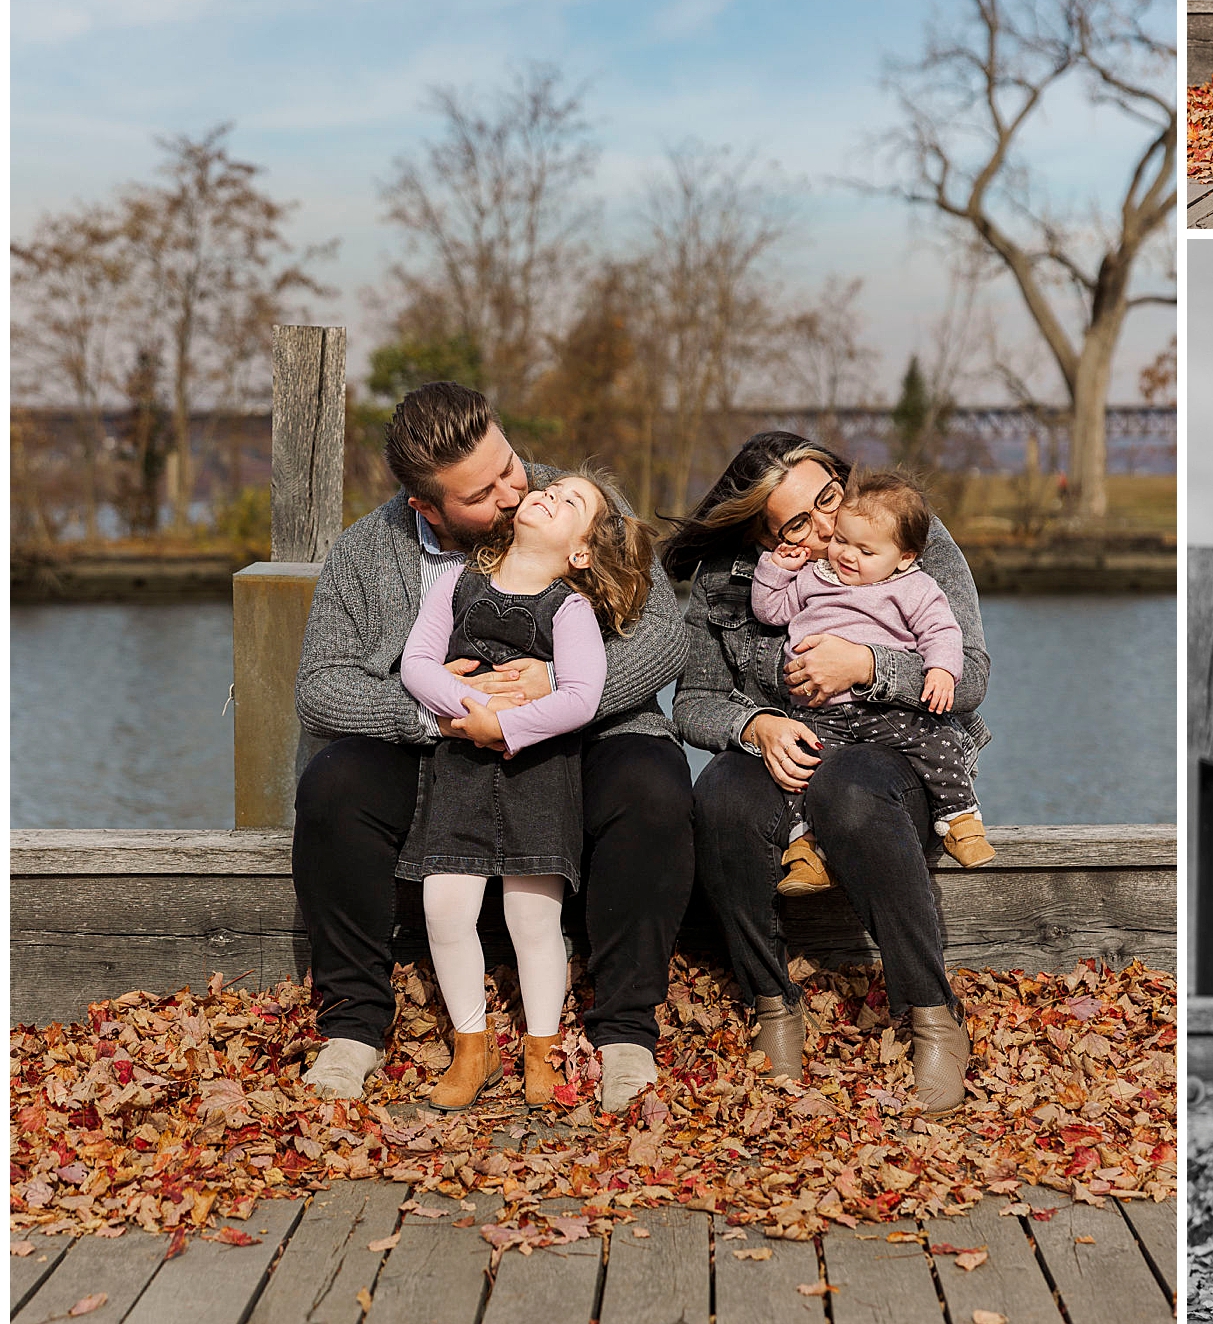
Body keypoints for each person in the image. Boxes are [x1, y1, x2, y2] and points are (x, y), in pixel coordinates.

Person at [293, 382, 695, 1114]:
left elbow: (667, 636)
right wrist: (429, 714)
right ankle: (353, 1026)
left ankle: (626, 1030)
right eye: (484, 492)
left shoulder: (571, 503)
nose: (516, 491)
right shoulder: (366, 552)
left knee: (655, 782)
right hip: (437, 752)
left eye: (510, 462)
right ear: (429, 508)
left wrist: (559, 690)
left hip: (581, 739)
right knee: (332, 784)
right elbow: (320, 686)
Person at [666, 433, 989, 1113]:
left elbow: (970, 678)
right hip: (790, 742)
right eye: (797, 524)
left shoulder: (902, 534)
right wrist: (754, 727)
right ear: (759, 531)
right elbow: (693, 702)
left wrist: (866, 666)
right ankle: (773, 1003)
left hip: (893, 743)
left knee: (849, 792)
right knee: (720, 798)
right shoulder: (726, 578)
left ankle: (933, 1014)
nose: (826, 531)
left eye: (829, 500)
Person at [397, 470, 658, 1110]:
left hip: (539, 775)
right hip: (459, 770)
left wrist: (506, 727)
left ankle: (541, 1048)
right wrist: (467, 705)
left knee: (532, 916)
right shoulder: (456, 583)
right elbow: (417, 664)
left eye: (571, 502)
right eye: (550, 488)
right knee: (445, 907)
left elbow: (581, 697)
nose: (546, 493)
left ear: (581, 553)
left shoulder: (569, 610)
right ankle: (472, 1047)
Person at [750, 468, 993, 898]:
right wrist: (775, 569)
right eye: (842, 540)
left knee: (934, 741)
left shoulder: (912, 587)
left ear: (903, 557)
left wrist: (939, 669)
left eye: (865, 550)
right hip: (818, 709)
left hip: (884, 708)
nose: (846, 555)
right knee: (803, 771)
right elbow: (772, 611)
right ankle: (806, 851)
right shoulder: (813, 577)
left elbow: (942, 632)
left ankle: (960, 819)